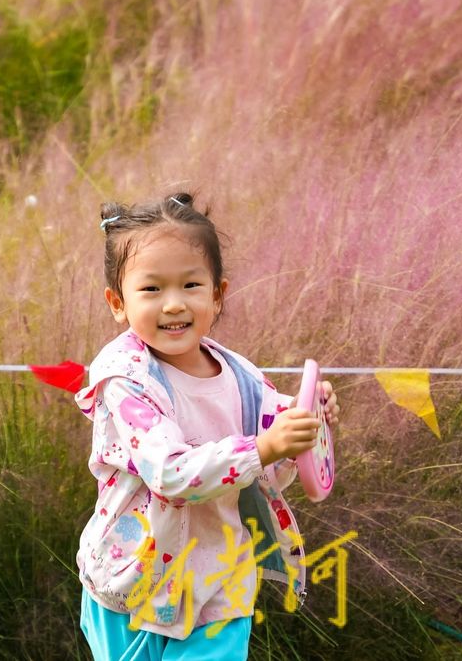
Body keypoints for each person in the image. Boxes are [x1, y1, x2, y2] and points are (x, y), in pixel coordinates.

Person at [74, 192, 340, 660]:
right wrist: (265, 447)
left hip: (217, 586)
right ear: (118, 302)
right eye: (152, 289)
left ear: (217, 295)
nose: (174, 304)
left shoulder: (243, 377)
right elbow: (169, 474)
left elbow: (269, 471)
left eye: (191, 286)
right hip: (134, 579)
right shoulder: (124, 379)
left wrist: (306, 426)